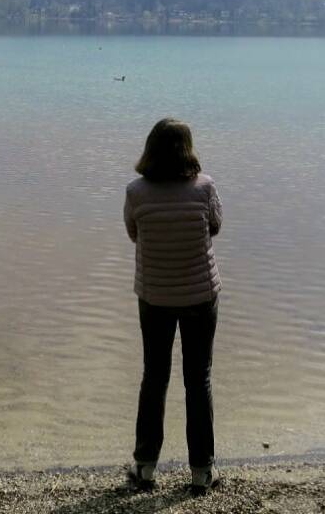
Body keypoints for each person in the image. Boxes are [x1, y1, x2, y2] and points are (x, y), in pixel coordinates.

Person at [123, 118, 223, 495]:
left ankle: (145, 466)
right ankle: (202, 471)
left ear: (150, 149)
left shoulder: (136, 192)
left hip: (155, 297)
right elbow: (215, 226)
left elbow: (134, 233)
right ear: (188, 149)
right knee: (199, 379)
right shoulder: (205, 188)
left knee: (154, 377)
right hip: (200, 296)